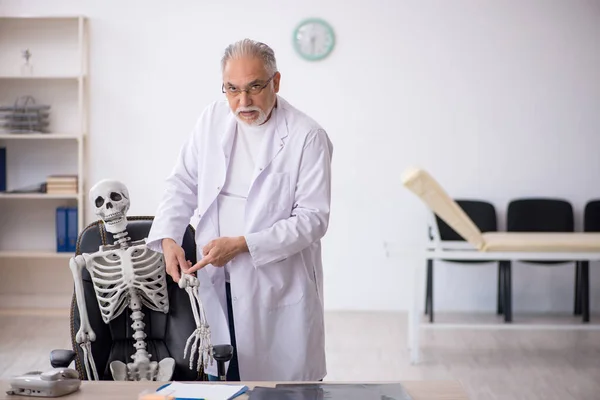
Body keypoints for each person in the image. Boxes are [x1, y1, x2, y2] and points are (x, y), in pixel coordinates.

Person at [146, 38, 333, 382]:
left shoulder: (307, 136)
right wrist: (169, 236)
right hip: (214, 278)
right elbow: (182, 181)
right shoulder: (212, 118)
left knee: (278, 386)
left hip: (275, 285)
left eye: (254, 88)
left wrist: (244, 244)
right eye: (231, 89)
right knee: (221, 376)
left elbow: (313, 219)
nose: (242, 101)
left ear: (276, 82)